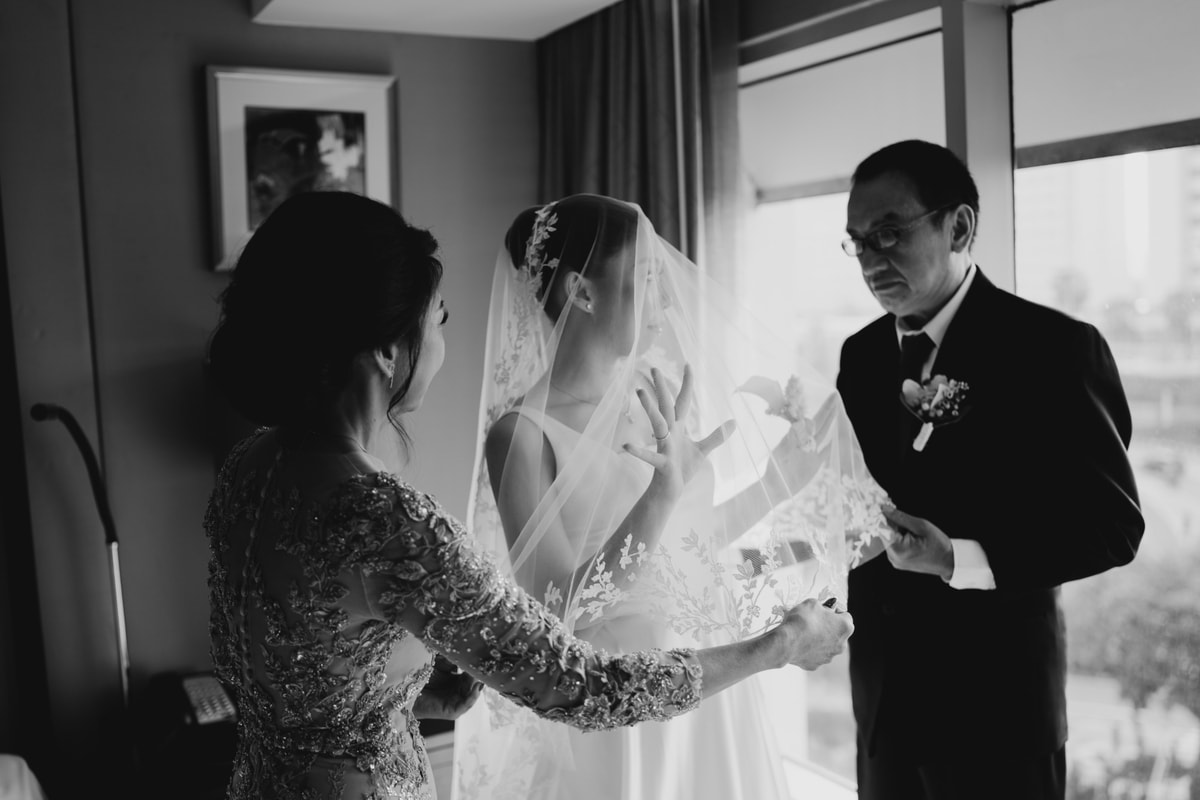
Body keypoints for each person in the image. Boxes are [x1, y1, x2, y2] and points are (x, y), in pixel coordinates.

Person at [202, 190, 855, 800]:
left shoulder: (251, 466)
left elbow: (300, 673)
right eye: (439, 318)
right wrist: (779, 644)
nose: (444, 342)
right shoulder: (388, 520)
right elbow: (584, 686)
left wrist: (417, 687)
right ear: (384, 352)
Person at [453, 193, 892, 800]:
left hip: (713, 678)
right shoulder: (523, 435)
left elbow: (683, 550)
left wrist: (773, 483)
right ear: (581, 291)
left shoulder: (652, 392)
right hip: (621, 700)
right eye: (647, 277)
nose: (664, 299)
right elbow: (554, 617)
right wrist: (662, 492)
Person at [836, 140, 1145, 800]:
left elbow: (1112, 527)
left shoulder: (1056, 349)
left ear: (959, 227)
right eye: (858, 242)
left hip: (1000, 715)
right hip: (883, 704)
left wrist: (959, 558)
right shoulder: (859, 355)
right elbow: (852, 494)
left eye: (888, 234)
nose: (870, 261)